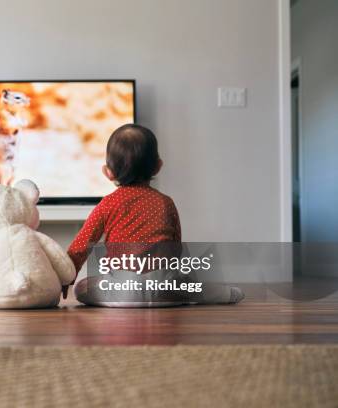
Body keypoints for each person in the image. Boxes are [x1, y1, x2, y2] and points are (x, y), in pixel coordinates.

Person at [65, 124, 244, 307]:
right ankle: (228, 293)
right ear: (158, 167)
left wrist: (65, 281)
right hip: (165, 291)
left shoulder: (107, 204)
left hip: (124, 293)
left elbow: (80, 247)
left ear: (107, 172)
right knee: (192, 286)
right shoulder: (165, 202)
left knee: (82, 288)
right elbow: (176, 248)